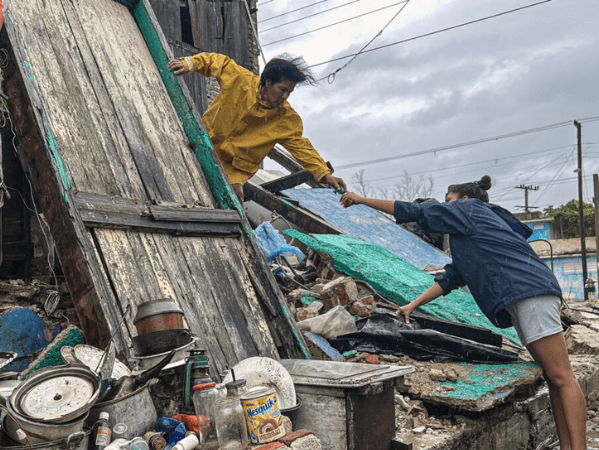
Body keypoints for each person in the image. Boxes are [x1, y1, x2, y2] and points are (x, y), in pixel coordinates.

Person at [341, 176, 587, 450]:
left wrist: (362, 200)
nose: (445, 208)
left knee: (563, 377)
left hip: (528, 292)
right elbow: (452, 278)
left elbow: (416, 210)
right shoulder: (476, 231)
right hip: (524, 294)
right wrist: (413, 305)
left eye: (448, 200)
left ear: (463, 199)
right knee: (554, 378)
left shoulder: (469, 210)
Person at [167, 52, 346, 204]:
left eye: (289, 92)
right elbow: (217, 61)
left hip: (234, 167)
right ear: (267, 81)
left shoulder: (286, 120)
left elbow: (303, 148)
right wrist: (189, 64)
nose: (285, 96)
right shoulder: (240, 80)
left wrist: (325, 175)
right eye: (282, 89)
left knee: (233, 199)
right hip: (205, 140)